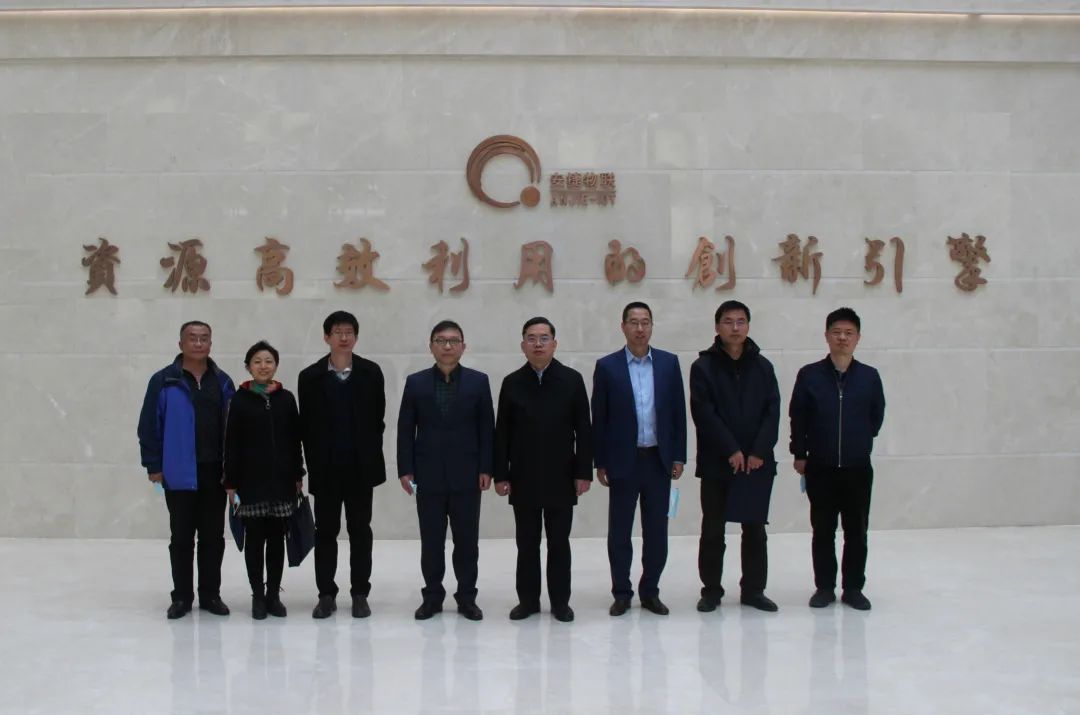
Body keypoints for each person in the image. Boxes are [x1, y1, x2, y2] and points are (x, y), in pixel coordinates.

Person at [494, 317, 593, 623]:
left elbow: (584, 430)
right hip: (523, 477)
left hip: (562, 476)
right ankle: (528, 601)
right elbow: (502, 433)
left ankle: (560, 602)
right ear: (523, 345)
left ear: (555, 343)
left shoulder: (572, 380)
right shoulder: (512, 383)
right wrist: (501, 474)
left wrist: (583, 472)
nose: (538, 344)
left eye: (544, 338)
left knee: (559, 543)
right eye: (532, 338)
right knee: (527, 543)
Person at [591, 301, 687, 616]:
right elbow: (599, 418)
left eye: (645, 321)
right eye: (633, 322)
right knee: (620, 532)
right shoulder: (608, 367)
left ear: (652, 326)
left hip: (658, 459)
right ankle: (622, 592)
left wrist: (679, 455)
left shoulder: (669, 364)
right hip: (623, 460)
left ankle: (650, 591)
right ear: (623, 327)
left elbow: (678, 412)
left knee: (656, 532)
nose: (640, 328)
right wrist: (600, 461)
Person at [138, 321, 236, 620]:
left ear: (211, 344)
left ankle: (210, 595)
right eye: (192, 338)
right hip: (178, 472)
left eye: (204, 338)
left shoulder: (223, 382)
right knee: (181, 538)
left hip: (215, 473)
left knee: (213, 537)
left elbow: (234, 428)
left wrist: (233, 469)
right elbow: (149, 426)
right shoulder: (164, 381)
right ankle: (181, 597)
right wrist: (154, 465)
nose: (198, 343)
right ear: (180, 344)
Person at [397, 320, 494, 621]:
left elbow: (487, 429)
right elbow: (405, 429)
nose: (447, 346)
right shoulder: (416, 383)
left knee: (467, 542)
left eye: (453, 341)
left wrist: (486, 467)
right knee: (431, 541)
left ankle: (467, 597)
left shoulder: (479, 382)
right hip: (427, 476)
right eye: (441, 340)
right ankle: (432, 597)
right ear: (431, 346)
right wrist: (405, 469)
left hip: (468, 475)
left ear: (464, 346)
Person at [790, 307, 885, 611]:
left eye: (849, 333)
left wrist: (859, 441)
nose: (842, 338)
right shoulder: (809, 375)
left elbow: (876, 417)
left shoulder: (869, 377)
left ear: (858, 338)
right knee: (823, 530)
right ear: (827, 336)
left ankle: (853, 588)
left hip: (857, 468)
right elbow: (798, 417)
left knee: (857, 531)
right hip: (821, 467)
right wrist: (800, 453)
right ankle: (825, 587)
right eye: (837, 332)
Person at [690, 301, 780, 613]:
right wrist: (731, 449)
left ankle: (754, 590)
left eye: (741, 321)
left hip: (756, 463)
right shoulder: (703, 367)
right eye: (728, 322)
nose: (735, 328)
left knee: (754, 529)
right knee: (713, 530)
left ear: (748, 326)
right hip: (717, 462)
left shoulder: (763, 367)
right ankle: (711, 591)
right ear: (717, 327)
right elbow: (704, 413)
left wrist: (758, 451)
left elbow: (772, 412)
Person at [298, 311, 387, 619]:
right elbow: (306, 426)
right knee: (325, 532)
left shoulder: (371, 372)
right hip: (325, 470)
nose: (344, 337)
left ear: (356, 337)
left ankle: (360, 593)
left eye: (349, 331)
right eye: (337, 332)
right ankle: (326, 594)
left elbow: (378, 420)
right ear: (327, 337)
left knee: (360, 531)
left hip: (360, 469)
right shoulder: (310, 376)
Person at [223, 341, 305, 620]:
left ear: (276, 365)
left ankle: (273, 595)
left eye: (268, 361)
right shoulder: (240, 399)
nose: (263, 366)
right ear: (249, 366)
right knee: (255, 541)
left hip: (282, 482)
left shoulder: (286, 398)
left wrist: (298, 474)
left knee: (277, 540)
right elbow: (231, 443)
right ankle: (257, 595)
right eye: (257, 361)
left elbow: (295, 440)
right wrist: (231, 482)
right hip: (250, 483)